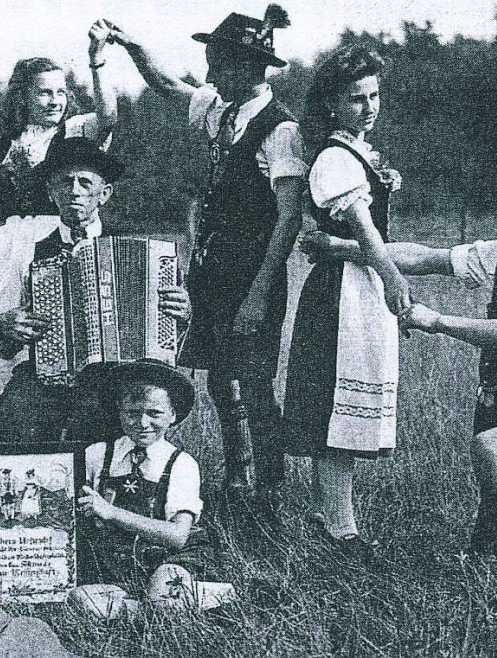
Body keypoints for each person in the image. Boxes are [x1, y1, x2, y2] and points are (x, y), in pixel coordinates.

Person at [303, 144, 497, 604]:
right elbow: (425, 257)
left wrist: (438, 321)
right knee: (486, 560)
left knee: (494, 451)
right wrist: (344, 248)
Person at [104, 5, 306, 502]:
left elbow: (288, 220)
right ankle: (239, 482)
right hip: (210, 274)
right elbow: (167, 84)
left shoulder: (282, 131)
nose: (211, 74)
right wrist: (131, 47)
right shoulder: (221, 108)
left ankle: (269, 492)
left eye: (219, 64)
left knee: (252, 384)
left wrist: (258, 296)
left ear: (250, 66)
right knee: (221, 380)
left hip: (252, 274)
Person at [274, 44, 409, 554]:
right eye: (356, 98)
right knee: (334, 411)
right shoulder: (334, 158)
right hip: (341, 294)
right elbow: (369, 236)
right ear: (332, 103)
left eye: (374, 95)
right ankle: (340, 529)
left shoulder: (356, 153)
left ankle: (325, 516)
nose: (369, 107)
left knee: (342, 410)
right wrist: (393, 278)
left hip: (358, 288)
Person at [0, 137, 192, 445]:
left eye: (84, 182)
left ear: (104, 193)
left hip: (119, 380)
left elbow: (170, 334)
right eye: (65, 183)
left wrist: (183, 312)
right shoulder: (28, 251)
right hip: (47, 376)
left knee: (115, 422)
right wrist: (3, 325)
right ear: (52, 193)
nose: (74, 191)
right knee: (14, 421)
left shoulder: (140, 252)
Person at [0, 22, 118, 412]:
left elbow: (109, 115)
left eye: (60, 92)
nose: (55, 100)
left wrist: (96, 61)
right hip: (14, 241)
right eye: (44, 92)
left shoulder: (73, 131)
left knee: (65, 323)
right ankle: (14, 420)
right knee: (13, 325)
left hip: (63, 232)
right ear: (22, 97)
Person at [70, 359, 212, 617]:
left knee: (166, 598)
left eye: (154, 413)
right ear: (119, 412)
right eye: (132, 413)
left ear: (173, 415)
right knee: (80, 600)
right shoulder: (98, 455)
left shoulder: (181, 463)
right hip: (115, 564)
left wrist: (111, 512)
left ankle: (162, 602)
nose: (143, 423)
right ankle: (158, 607)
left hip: (169, 558)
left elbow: (178, 536)